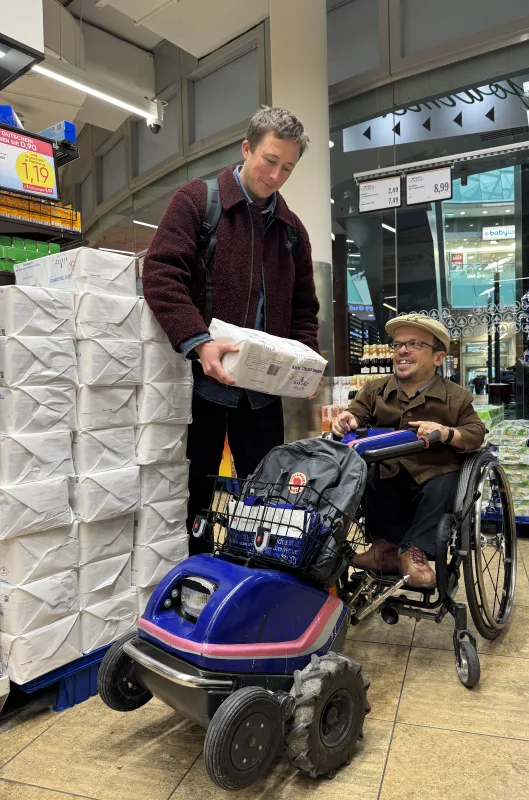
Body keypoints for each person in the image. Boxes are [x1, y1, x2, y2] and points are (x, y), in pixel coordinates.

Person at [143, 107, 320, 554]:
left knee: (266, 506)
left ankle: (252, 589)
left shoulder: (292, 232)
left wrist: (306, 366)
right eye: (269, 160)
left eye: (288, 167)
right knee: (192, 504)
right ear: (246, 149)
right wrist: (198, 342)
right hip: (198, 390)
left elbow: (304, 309)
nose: (277, 174)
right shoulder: (196, 202)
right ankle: (193, 589)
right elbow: (161, 274)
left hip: (261, 398)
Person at [332, 314, 486, 585]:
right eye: (397, 344)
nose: (402, 350)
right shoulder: (375, 389)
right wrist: (349, 419)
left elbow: (475, 432)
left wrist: (446, 432)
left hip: (433, 472)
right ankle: (385, 549)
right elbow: (356, 410)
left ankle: (414, 552)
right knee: (363, 477)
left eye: (414, 344)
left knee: (445, 484)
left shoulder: (457, 397)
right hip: (386, 470)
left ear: (438, 358)